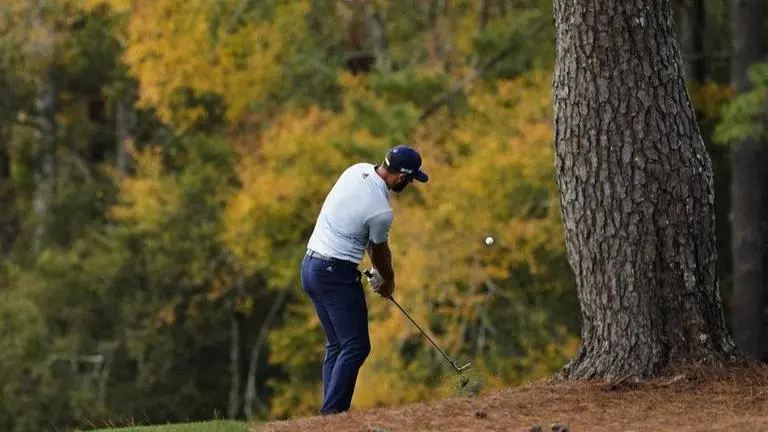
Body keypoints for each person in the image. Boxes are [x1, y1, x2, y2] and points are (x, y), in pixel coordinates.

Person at [300, 144, 429, 415]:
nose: (409, 184)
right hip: (334, 274)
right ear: (400, 176)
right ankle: (332, 416)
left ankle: (330, 418)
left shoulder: (356, 170)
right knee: (356, 346)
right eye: (410, 180)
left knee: (338, 344)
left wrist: (378, 273)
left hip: (311, 268)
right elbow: (379, 251)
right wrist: (388, 280)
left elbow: (367, 241)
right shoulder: (381, 211)